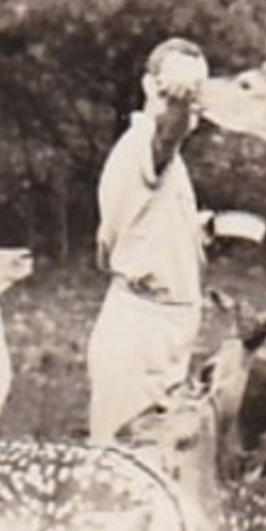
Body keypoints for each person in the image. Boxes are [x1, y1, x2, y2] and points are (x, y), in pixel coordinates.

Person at [86, 37, 214, 441]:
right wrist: (175, 104)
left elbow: (133, 234)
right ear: (148, 86)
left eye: (196, 90)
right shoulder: (144, 145)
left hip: (165, 326)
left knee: (158, 460)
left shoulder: (168, 165)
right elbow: (165, 135)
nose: (189, 98)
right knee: (125, 466)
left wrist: (197, 233)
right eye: (176, 86)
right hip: (142, 332)